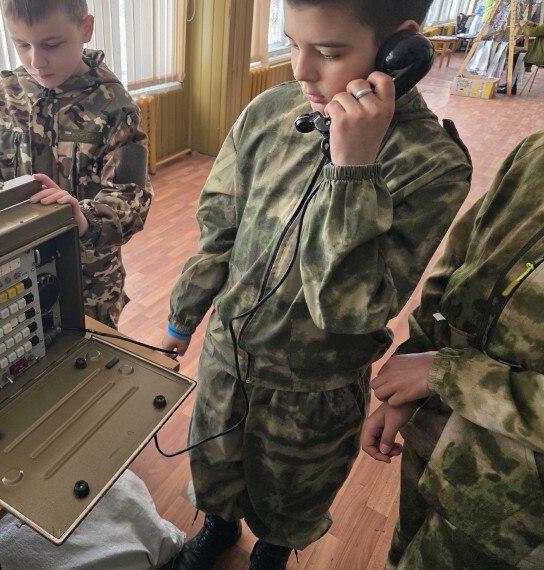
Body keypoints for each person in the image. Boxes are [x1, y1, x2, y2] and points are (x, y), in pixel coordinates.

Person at [161, 1, 472, 568]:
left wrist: (352, 170)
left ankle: (272, 553)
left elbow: (350, 308)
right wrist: (183, 317)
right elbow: (220, 225)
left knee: (292, 499)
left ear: (398, 51)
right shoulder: (271, 111)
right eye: (291, 43)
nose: (300, 71)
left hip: (312, 390)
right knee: (216, 469)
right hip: (229, 360)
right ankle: (218, 528)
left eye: (327, 52)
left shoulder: (431, 163)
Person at [362, 131, 544, 568]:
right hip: (436, 441)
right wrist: (414, 384)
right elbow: (459, 268)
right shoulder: (535, 151)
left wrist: (446, 375)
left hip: (514, 515)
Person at [0, 0, 153, 330]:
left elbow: (131, 200)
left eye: (51, 45)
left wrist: (83, 217)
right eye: (22, 45)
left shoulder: (115, 109)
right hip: (14, 275)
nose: (36, 61)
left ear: (85, 29)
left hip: (87, 282)